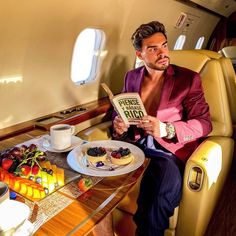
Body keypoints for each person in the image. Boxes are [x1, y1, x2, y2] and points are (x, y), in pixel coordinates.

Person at [111, 21, 212, 236]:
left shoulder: (188, 79)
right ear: (140, 55)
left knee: (157, 198)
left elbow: (204, 123)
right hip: (135, 144)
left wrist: (166, 129)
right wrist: (118, 125)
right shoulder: (131, 77)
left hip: (168, 152)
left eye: (164, 45)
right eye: (153, 49)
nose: (163, 53)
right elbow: (119, 111)